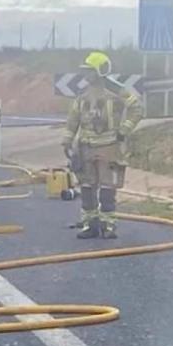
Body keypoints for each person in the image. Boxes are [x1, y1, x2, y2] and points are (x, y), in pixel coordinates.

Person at [64, 52, 143, 239]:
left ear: (100, 71)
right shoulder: (83, 94)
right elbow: (73, 118)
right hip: (85, 148)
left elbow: (137, 108)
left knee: (108, 188)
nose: (86, 75)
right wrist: (67, 141)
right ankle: (90, 225)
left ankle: (109, 225)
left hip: (109, 146)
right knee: (86, 187)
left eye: (89, 71)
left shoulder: (117, 91)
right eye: (85, 71)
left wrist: (124, 130)